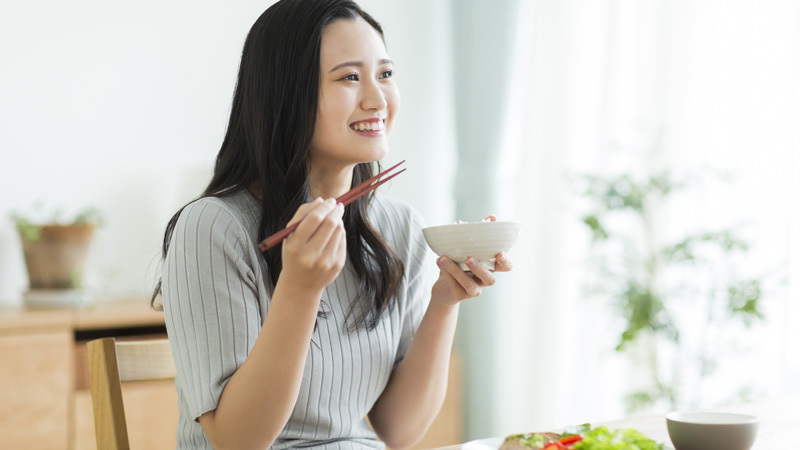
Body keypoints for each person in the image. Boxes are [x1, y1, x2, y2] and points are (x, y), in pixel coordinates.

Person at [153, 0, 514, 448]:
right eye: (349, 77)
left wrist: (445, 301)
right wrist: (300, 289)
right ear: (287, 94)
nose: (377, 100)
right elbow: (236, 440)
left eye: (384, 74)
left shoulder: (399, 228)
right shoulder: (212, 228)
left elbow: (398, 431)